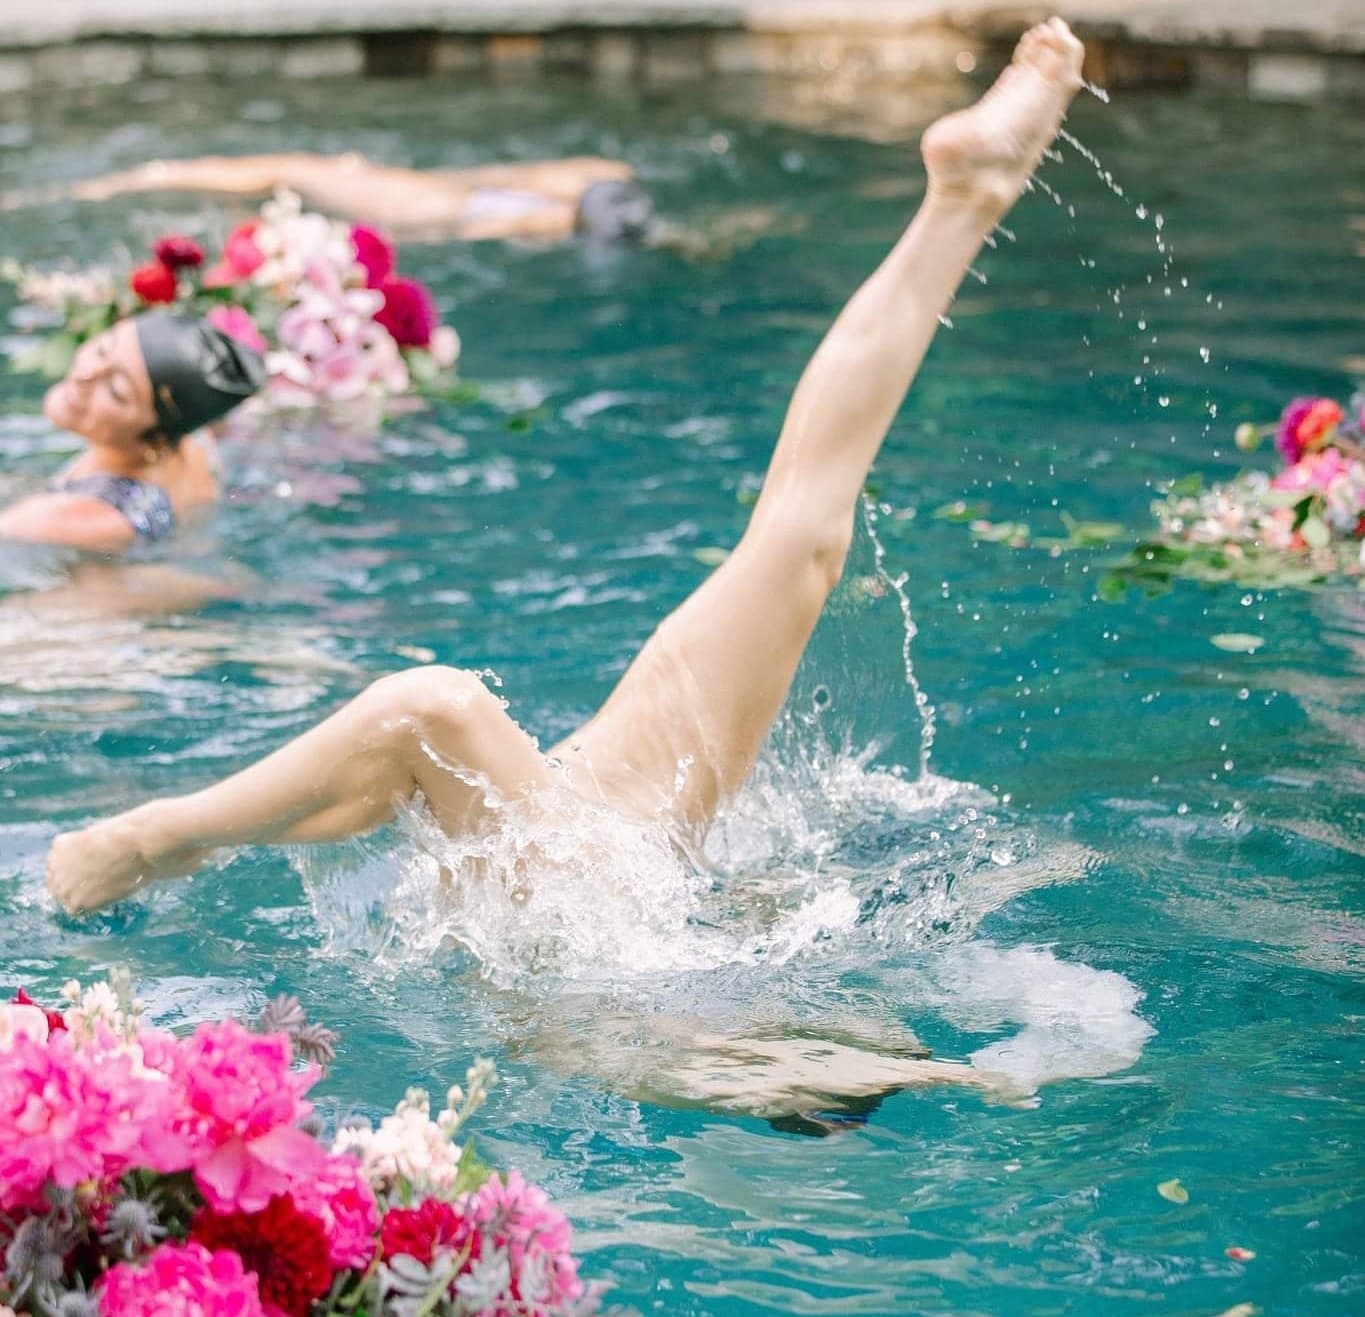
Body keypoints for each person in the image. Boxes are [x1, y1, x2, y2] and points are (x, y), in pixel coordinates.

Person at [47, 21, 1085, 935]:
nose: (86, 374)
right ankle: (967, 199)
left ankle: (152, 839)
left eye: (113, 371)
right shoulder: (164, 464)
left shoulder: (127, 488)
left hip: (598, 903)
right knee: (802, 530)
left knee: (438, 710)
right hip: (619, 854)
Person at [0, 313, 265, 553]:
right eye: (102, 350)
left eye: (116, 390)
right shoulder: (196, 441)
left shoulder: (72, 520)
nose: (85, 375)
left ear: (156, 440)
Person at [12, 153, 657, 245]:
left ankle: (140, 179)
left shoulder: (548, 199)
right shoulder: (548, 205)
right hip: (407, 198)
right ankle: (142, 179)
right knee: (269, 177)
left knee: (271, 173)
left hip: (397, 197)